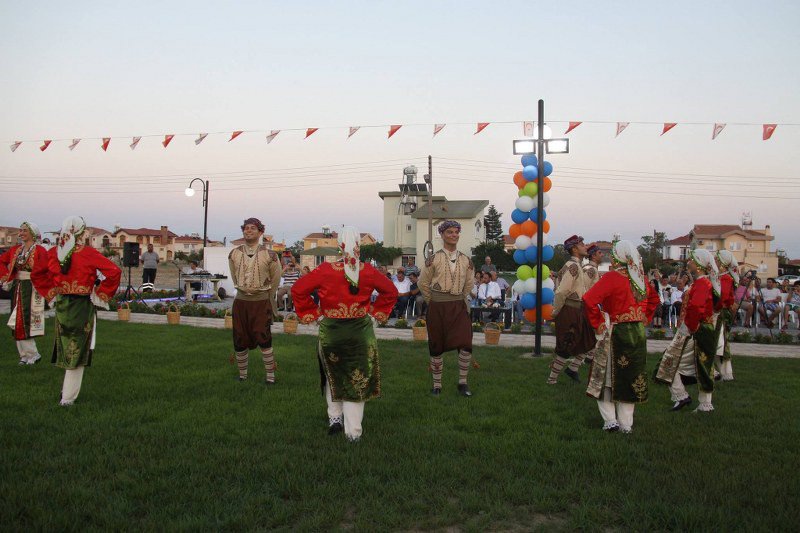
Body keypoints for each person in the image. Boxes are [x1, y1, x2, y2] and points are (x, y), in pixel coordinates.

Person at [291, 226, 398, 442]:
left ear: (339, 245)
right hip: (361, 333)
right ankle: (353, 432)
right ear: (358, 245)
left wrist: (315, 315)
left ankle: (335, 419)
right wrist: (376, 315)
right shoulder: (367, 270)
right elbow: (391, 291)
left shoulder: (325, 270)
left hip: (331, 331)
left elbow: (298, 290)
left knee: (333, 374)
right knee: (357, 379)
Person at [31, 216, 121, 406]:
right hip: (82, 306)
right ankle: (67, 398)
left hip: (63, 305)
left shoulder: (53, 252)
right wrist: (100, 294)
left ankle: (65, 391)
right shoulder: (88, 253)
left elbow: (37, 274)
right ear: (82, 233)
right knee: (78, 350)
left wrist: (52, 292)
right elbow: (114, 271)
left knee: (66, 344)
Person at [583, 241, 659, 433]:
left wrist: (599, 322)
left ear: (617, 256)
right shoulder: (640, 279)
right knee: (630, 377)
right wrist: (644, 318)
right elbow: (654, 299)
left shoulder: (612, 278)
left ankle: (610, 420)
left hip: (615, 332)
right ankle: (626, 424)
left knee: (607, 376)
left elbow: (589, 299)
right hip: (637, 334)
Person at [655, 248, 719, 412]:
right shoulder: (702, 282)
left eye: (691, 260)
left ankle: (684, 397)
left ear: (698, 264)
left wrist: (689, 328)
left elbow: (697, 306)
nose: (688, 262)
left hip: (696, 330)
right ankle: (695, 400)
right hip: (700, 328)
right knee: (702, 365)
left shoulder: (702, 283)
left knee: (671, 361)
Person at [419, 220, 476, 397]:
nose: (454, 235)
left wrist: (460, 298)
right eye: (450, 232)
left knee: (466, 343)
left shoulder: (466, 260)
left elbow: (469, 283)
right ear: (442, 235)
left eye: (456, 232)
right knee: (436, 345)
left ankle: (463, 383)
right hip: (437, 306)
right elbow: (423, 283)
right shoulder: (433, 259)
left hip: (458, 306)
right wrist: (433, 301)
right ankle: (437, 385)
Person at [228, 218, 282, 384]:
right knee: (239, 337)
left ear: (260, 232)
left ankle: (270, 378)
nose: (248, 230)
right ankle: (242, 375)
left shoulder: (270, 255)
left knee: (264, 337)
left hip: (261, 302)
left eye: (253, 228)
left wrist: (266, 296)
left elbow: (275, 278)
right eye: (246, 228)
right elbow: (234, 275)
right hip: (241, 302)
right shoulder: (234, 254)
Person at [547, 235, 596, 384]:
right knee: (567, 343)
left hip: (576, 309)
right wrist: (556, 311)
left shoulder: (577, 266)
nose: (585, 246)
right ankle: (552, 379)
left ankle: (570, 370)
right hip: (570, 309)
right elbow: (562, 291)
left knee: (584, 341)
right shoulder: (573, 266)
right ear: (574, 249)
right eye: (582, 244)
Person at [0, 221, 50, 365]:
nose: (21, 233)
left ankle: (32, 354)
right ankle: (24, 355)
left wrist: (45, 286)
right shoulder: (16, 250)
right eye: (20, 231)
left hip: (32, 288)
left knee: (25, 320)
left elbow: (48, 269)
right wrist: (5, 276)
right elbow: (1, 261)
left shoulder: (40, 250)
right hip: (18, 287)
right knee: (16, 321)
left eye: (24, 231)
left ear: (32, 234)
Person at [715, 250, 739, 381]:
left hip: (719, 313)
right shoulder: (720, 277)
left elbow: (722, 297)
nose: (715, 261)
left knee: (720, 343)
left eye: (717, 259)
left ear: (723, 263)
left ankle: (725, 373)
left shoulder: (725, 278)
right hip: (718, 312)